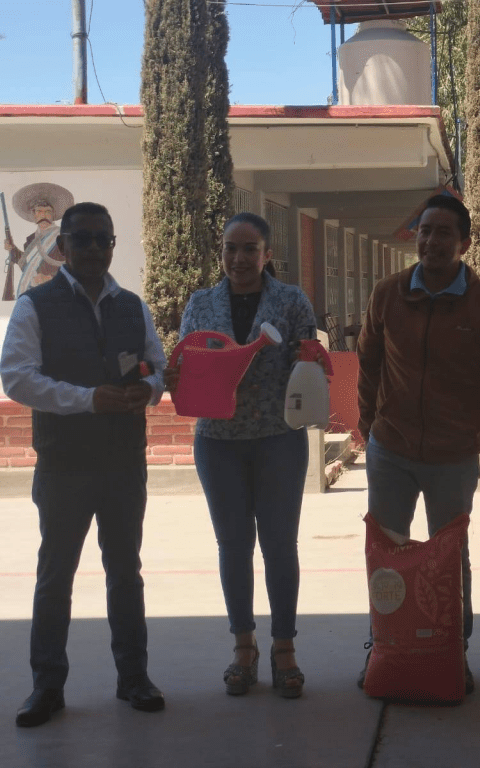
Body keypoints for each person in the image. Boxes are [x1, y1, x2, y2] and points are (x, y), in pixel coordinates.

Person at [355, 194, 480, 693]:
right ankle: (384, 646)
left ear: (464, 243)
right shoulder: (388, 294)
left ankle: (455, 650)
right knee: (387, 556)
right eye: (425, 231)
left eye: (443, 233)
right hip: (391, 451)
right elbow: (368, 361)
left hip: (453, 457)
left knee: (450, 558)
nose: (431, 241)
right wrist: (369, 424)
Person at [0, 202, 167, 727]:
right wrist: (88, 399)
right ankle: (47, 686)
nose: (93, 248)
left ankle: (133, 678)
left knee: (126, 573)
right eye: (83, 239)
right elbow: (17, 377)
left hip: (122, 462)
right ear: (62, 246)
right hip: (64, 464)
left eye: (102, 239)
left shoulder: (132, 306)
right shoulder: (34, 305)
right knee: (56, 576)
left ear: (112, 245)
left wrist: (149, 387)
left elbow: (159, 366)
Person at [164, 212, 317, 698]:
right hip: (218, 442)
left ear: (267, 254)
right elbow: (186, 362)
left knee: (280, 546)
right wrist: (175, 377)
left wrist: (311, 362)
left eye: (250, 249)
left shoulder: (291, 301)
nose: (239, 258)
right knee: (233, 546)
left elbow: (308, 365)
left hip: (278, 439)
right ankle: (243, 648)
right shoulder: (201, 303)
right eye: (231, 248)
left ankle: (284, 648)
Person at [4, 182, 75, 298]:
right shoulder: (30, 240)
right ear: (34, 215)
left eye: (48, 212)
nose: (44, 216)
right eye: (39, 211)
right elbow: (26, 266)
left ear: (53, 215)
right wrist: (12, 249)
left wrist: (49, 278)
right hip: (34, 293)